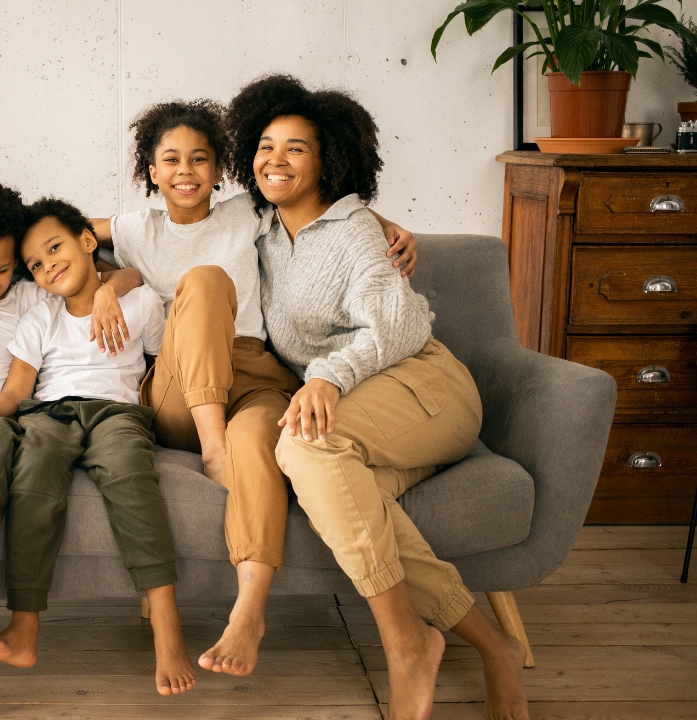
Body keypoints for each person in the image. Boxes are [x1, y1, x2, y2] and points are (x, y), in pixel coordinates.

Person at [227, 74, 529, 720]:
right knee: (342, 490)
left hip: (426, 385)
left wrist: (326, 377)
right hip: (366, 412)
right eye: (265, 145)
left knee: (305, 447)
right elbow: (163, 217)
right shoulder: (259, 231)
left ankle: (405, 644)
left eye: (296, 149)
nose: (274, 159)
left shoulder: (356, 230)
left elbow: (397, 325)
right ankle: (492, 645)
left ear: (328, 160)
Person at [87, 98, 418, 675]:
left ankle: (250, 611)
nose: (186, 171)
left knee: (269, 433)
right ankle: (214, 447)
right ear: (151, 171)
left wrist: (385, 225)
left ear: (221, 171)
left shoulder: (249, 212)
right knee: (207, 281)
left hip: (256, 375)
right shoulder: (134, 230)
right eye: (171, 161)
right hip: (178, 389)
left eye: (200, 159)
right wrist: (103, 286)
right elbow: (51, 233)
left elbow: (322, 212)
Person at [0, 198, 195, 696]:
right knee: (32, 483)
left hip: (117, 413)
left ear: (88, 241)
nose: (47, 265)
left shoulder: (140, 302)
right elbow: (18, 391)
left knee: (131, 480)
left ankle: (168, 628)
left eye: (55, 248)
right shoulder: (40, 317)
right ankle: (25, 628)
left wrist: (116, 285)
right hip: (50, 414)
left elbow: (162, 371)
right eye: (35, 264)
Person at [0, 180, 143, 655]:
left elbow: (127, 272)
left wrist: (107, 293)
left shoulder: (32, 298)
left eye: (2, 268)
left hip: (3, 412)